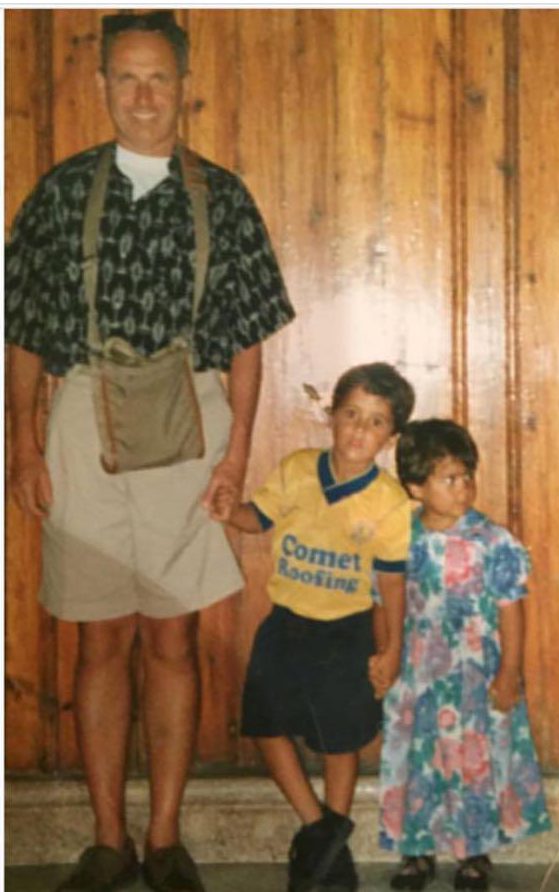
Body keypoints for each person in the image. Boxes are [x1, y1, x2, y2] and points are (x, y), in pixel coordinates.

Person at [6, 11, 294, 892]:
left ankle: (165, 840)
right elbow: (22, 333)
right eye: (125, 78)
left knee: (171, 643)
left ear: (183, 85)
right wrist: (22, 445)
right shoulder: (59, 192)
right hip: (83, 415)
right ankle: (106, 841)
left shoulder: (224, 196)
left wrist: (236, 456)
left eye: (157, 79)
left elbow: (248, 339)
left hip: (188, 421)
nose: (141, 96)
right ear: (102, 85)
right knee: (98, 646)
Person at [207, 362, 415, 892]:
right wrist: (232, 511)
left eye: (374, 422)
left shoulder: (389, 502)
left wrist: (389, 650)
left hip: (347, 631)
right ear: (331, 416)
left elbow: (392, 585)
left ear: (390, 436)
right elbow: (260, 517)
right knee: (266, 724)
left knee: (339, 740)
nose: (358, 431)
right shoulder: (300, 469)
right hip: (286, 625)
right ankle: (320, 828)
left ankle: (328, 855)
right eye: (350, 415)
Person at [378, 420, 551, 891]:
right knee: (417, 757)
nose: (464, 488)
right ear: (415, 486)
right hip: (419, 674)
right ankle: (416, 850)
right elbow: (387, 602)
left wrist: (509, 672)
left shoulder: (492, 542)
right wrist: (386, 655)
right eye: (449, 479)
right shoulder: (400, 540)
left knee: (474, 758)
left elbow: (511, 609)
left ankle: (474, 851)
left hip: (475, 673)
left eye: (467, 476)